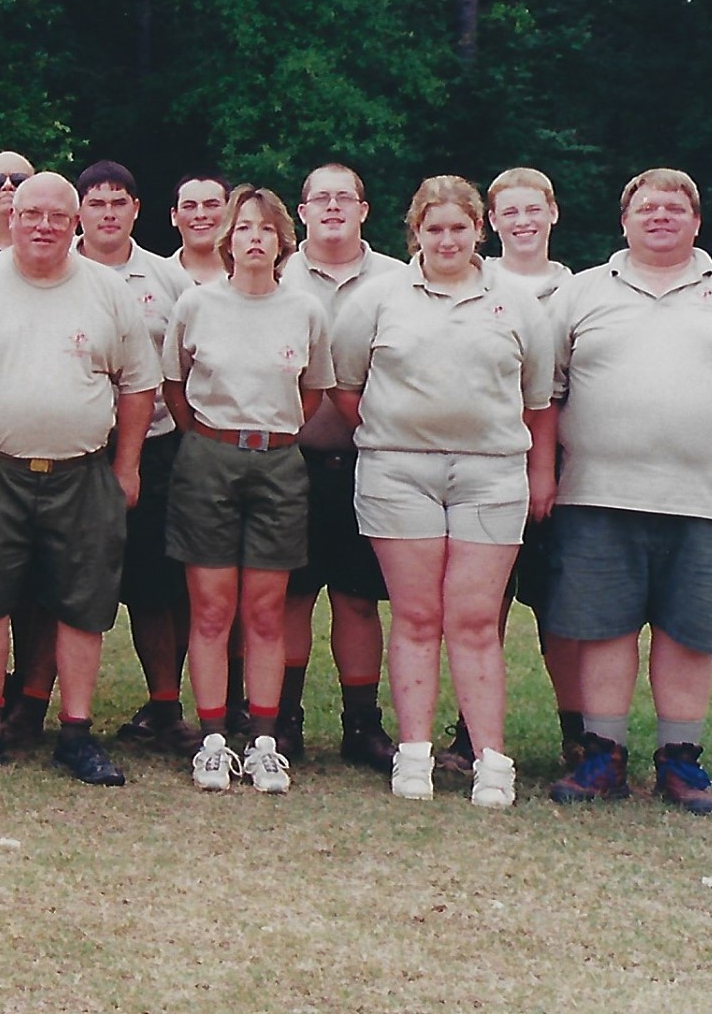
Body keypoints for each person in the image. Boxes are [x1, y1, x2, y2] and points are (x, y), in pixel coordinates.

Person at [0, 172, 158, 781]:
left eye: (57, 216)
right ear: (10, 217)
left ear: (75, 223)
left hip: (82, 473)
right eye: (31, 214)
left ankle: (76, 734)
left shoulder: (107, 291)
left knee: (83, 603)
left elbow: (138, 384)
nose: (44, 226)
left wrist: (126, 465)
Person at [330, 176, 553, 808]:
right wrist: (398, 436)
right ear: (415, 233)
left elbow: (535, 399)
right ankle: (415, 753)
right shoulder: (377, 298)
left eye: (459, 227)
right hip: (398, 472)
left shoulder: (517, 303)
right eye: (434, 229)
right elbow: (348, 386)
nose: (447, 239)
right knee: (419, 615)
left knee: (476, 621)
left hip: (491, 473)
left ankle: (491, 760)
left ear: (479, 229)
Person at [547, 168, 712, 816]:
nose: (660, 215)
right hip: (599, 492)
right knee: (605, 628)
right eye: (646, 206)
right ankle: (603, 754)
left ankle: (681, 761)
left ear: (697, 221)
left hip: (709, 495)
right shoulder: (580, 292)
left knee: (689, 632)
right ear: (623, 221)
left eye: (675, 206)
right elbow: (547, 389)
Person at [162, 185, 334, 795]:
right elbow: (175, 385)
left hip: (279, 464)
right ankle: (211, 740)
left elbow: (312, 393)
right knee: (211, 608)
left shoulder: (307, 311)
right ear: (226, 240)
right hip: (208, 458)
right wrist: (212, 437)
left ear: (282, 240)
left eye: (265, 229)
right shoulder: (196, 305)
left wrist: (269, 437)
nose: (254, 239)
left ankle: (263, 741)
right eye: (242, 229)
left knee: (265, 611)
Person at [279, 163, 403, 767]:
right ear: (301, 212)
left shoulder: (401, 280)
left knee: (358, 599)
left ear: (364, 209)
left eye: (343, 198)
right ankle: (285, 719)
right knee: (292, 595)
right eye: (318, 198)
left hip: (369, 459)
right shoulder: (276, 275)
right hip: (291, 461)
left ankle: (362, 725)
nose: (332, 207)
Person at [74, 160, 200, 756]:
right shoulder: (52, 269)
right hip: (71, 451)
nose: (107, 214)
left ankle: (165, 706)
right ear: (80, 211)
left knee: (157, 585)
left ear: (136, 210)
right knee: (63, 581)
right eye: (95, 203)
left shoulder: (166, 280)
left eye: (118, 202)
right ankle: (36, 702)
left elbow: (185, 362)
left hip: (152, 448)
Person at [483, 166, 579, 770]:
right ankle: (474, 731)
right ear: (491, 222)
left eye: (532, 209)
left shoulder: (582, 290)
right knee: (480, 609)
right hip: (484, 465)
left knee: (559, 610)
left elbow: (557, 393)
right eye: (508, 212)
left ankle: (580, 733)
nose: (522, 222)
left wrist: (544, 471)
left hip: (558, 472)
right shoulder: (472, 281)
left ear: (552, 214)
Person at [170, 171, 230, 285]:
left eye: (212, 205)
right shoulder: (156, 277)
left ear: (231, 212)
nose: (200, 215)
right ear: (174, 216)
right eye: (189, 206)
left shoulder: (251, 278)